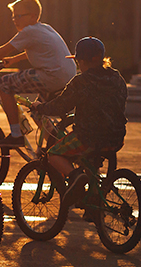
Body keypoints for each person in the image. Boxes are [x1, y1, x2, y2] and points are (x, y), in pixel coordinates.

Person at [0, 0, 77, 147]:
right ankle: (55, 145)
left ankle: (16, 135)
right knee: (37, 110)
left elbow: (1, 51)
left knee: (4, 84)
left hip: (51, 76)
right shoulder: (44, 28)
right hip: (66, 76)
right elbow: (37, 49)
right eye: (13, 16)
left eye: (19, 16)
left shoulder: (29, 31)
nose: (15, 19)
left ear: (33, 16)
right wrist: (14, 60)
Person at [31, 36, 128, 189]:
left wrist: (40, 107)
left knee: (53, 154)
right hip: (116, 137)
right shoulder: (116, 78)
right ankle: (93, 202)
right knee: (89, 157)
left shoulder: (81, 82)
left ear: (82, 61)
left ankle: (76, 178)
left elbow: (60, 106)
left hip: (89, 138)